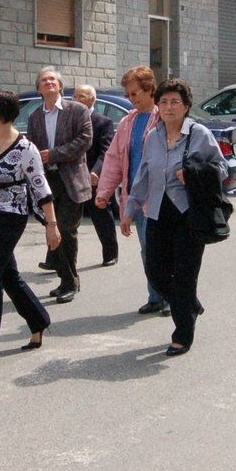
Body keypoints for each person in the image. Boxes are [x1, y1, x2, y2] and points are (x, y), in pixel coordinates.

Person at [123, 79, 226, 356]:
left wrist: (193, 172)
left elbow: (222, 168)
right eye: (164, 101)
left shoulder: (199, 134)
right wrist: (130, 209)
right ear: (158, 105)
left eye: (175, 102)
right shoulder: (153, 136)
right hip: (157, 211)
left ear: (186, 106)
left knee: (183, 276)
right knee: (155, 271)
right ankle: (188, 304)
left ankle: (182, 333)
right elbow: (143, 173)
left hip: (189, 214)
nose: (168, 107)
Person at [0, 90, 62, 371]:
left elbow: (41, 189)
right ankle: (38, 320)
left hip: (9, 219)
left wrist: (51, 226)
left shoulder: (25, 149)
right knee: (8, 276)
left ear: (2, 115)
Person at [95, 65, 166, 316]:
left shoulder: (164, 117)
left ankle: (172, 297)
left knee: (164, 249)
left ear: (149, 89)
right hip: (137, 197)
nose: (133, 99)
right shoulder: (128, 122)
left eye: (136, 93)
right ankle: (156, 296)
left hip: (164, 197)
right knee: (148, 249)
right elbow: (114, 159)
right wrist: (104, 192)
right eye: (129, 95)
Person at [24, 66, 92, 305]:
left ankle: (69, 281)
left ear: (61, 86)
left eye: (53, 79)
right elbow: (31, 146)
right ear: (39, 88)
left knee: (65, 230)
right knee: (52, 231)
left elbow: (85, 140)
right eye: (44, 80)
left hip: (71, 181)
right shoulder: (34, 116)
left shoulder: (78, 110)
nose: (49, 82)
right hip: (47, 183)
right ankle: (65, 278)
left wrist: (53, 155)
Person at [74, 84, 119, 268]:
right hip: (73, 176)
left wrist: (97, 171)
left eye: (82, 96)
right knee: (65, 219)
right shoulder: (69, 119)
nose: (77, 100)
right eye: (75, 96)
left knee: (101, 215)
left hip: (93, 175)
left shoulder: (102, 122)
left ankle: (110, 253)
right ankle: (54, 258)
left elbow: (106, 150)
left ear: (92, 100)